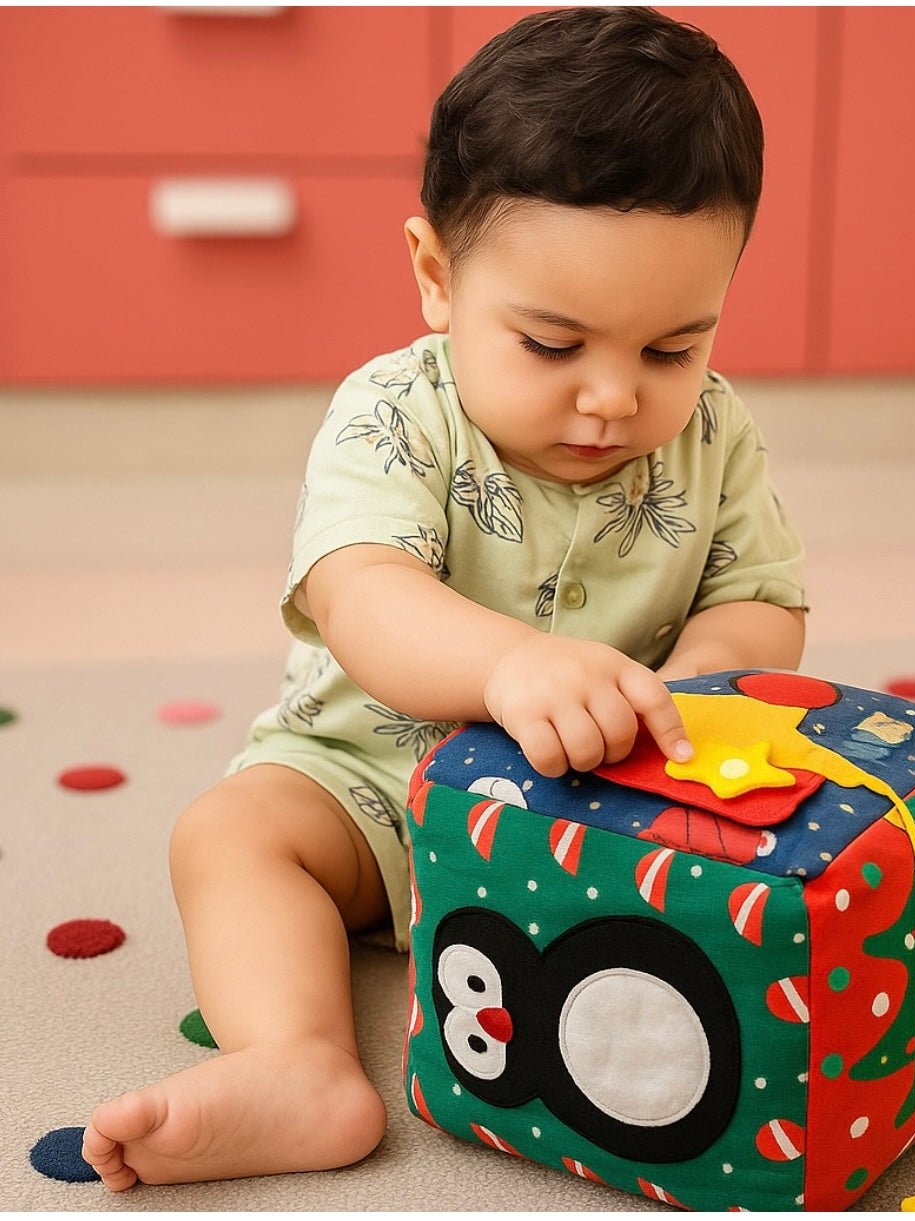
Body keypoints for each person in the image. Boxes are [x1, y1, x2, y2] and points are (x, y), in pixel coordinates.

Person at [83, 5, 807, 1190]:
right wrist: (507, 665)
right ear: (437, 277)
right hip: (371, 793)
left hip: (610, 813)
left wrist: (691, 687)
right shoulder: (392, 415)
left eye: (672, 349)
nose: (614, 398)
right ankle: (297, 1062)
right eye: (553, 345)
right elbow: (362, 596)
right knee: (231, 834)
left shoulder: (715, 434)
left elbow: (762, 600)